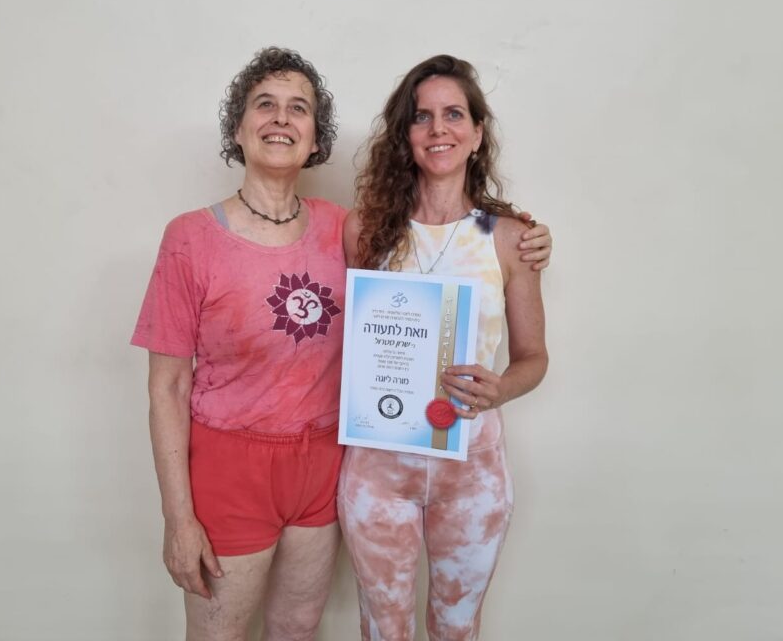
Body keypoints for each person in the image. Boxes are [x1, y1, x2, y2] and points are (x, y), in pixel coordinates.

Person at [131, 47, 552, 640]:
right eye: (265, 105)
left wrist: (525, 237)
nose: (282, 119)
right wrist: (178, 519)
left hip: (356, 462)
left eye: (298, 108)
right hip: (289, 466)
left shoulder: (361, 227)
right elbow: (167, 385)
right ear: (237, 128)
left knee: (311, 629)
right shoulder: (332, 231)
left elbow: (521, 337)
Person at [338, 54, 548, 641]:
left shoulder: (510, 238)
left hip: (472, 469)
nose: (438, 129)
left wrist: (499, 389)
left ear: (477, 134)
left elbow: (534, 358)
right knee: (384, 629)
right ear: (404, 135)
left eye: (454, 115)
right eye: (421, 116)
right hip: (378, 467)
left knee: (457, 629)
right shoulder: (364, 230)